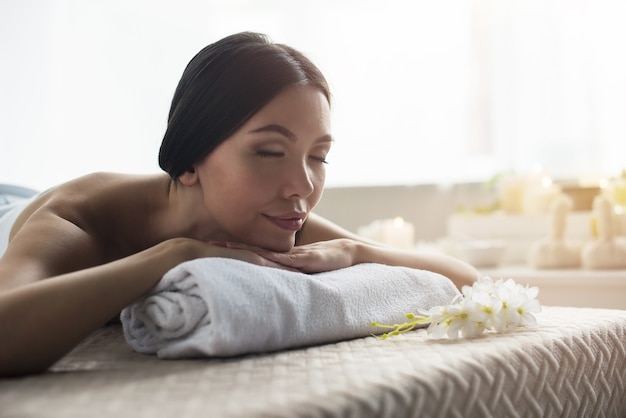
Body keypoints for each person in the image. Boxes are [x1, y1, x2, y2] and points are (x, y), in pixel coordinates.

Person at [0, 32, 478, 377]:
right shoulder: (79, 220)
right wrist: (175, 254)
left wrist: (357, 251)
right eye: (270, 152)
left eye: (319, 156)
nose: (302, 185)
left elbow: (465, 280)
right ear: (189, 161)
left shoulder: (277, 212)